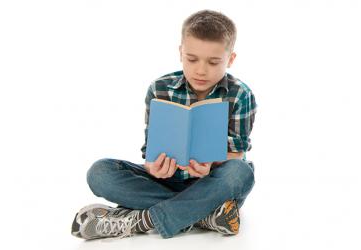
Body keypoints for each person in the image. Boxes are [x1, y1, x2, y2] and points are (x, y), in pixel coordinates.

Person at [71, 9, 257, 240]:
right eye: (192, 59)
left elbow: (236, 154)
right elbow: (151, 152)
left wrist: (210, 165)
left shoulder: (240, 94)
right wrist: (153, 168)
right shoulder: (160, 89)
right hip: (166, 183)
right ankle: (205, 216)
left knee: (240, 173)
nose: (200, 70)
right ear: (180, 53)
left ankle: (142, 220)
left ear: (230, 59)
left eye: (213, 62)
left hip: (212, 186)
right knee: (100, 173)